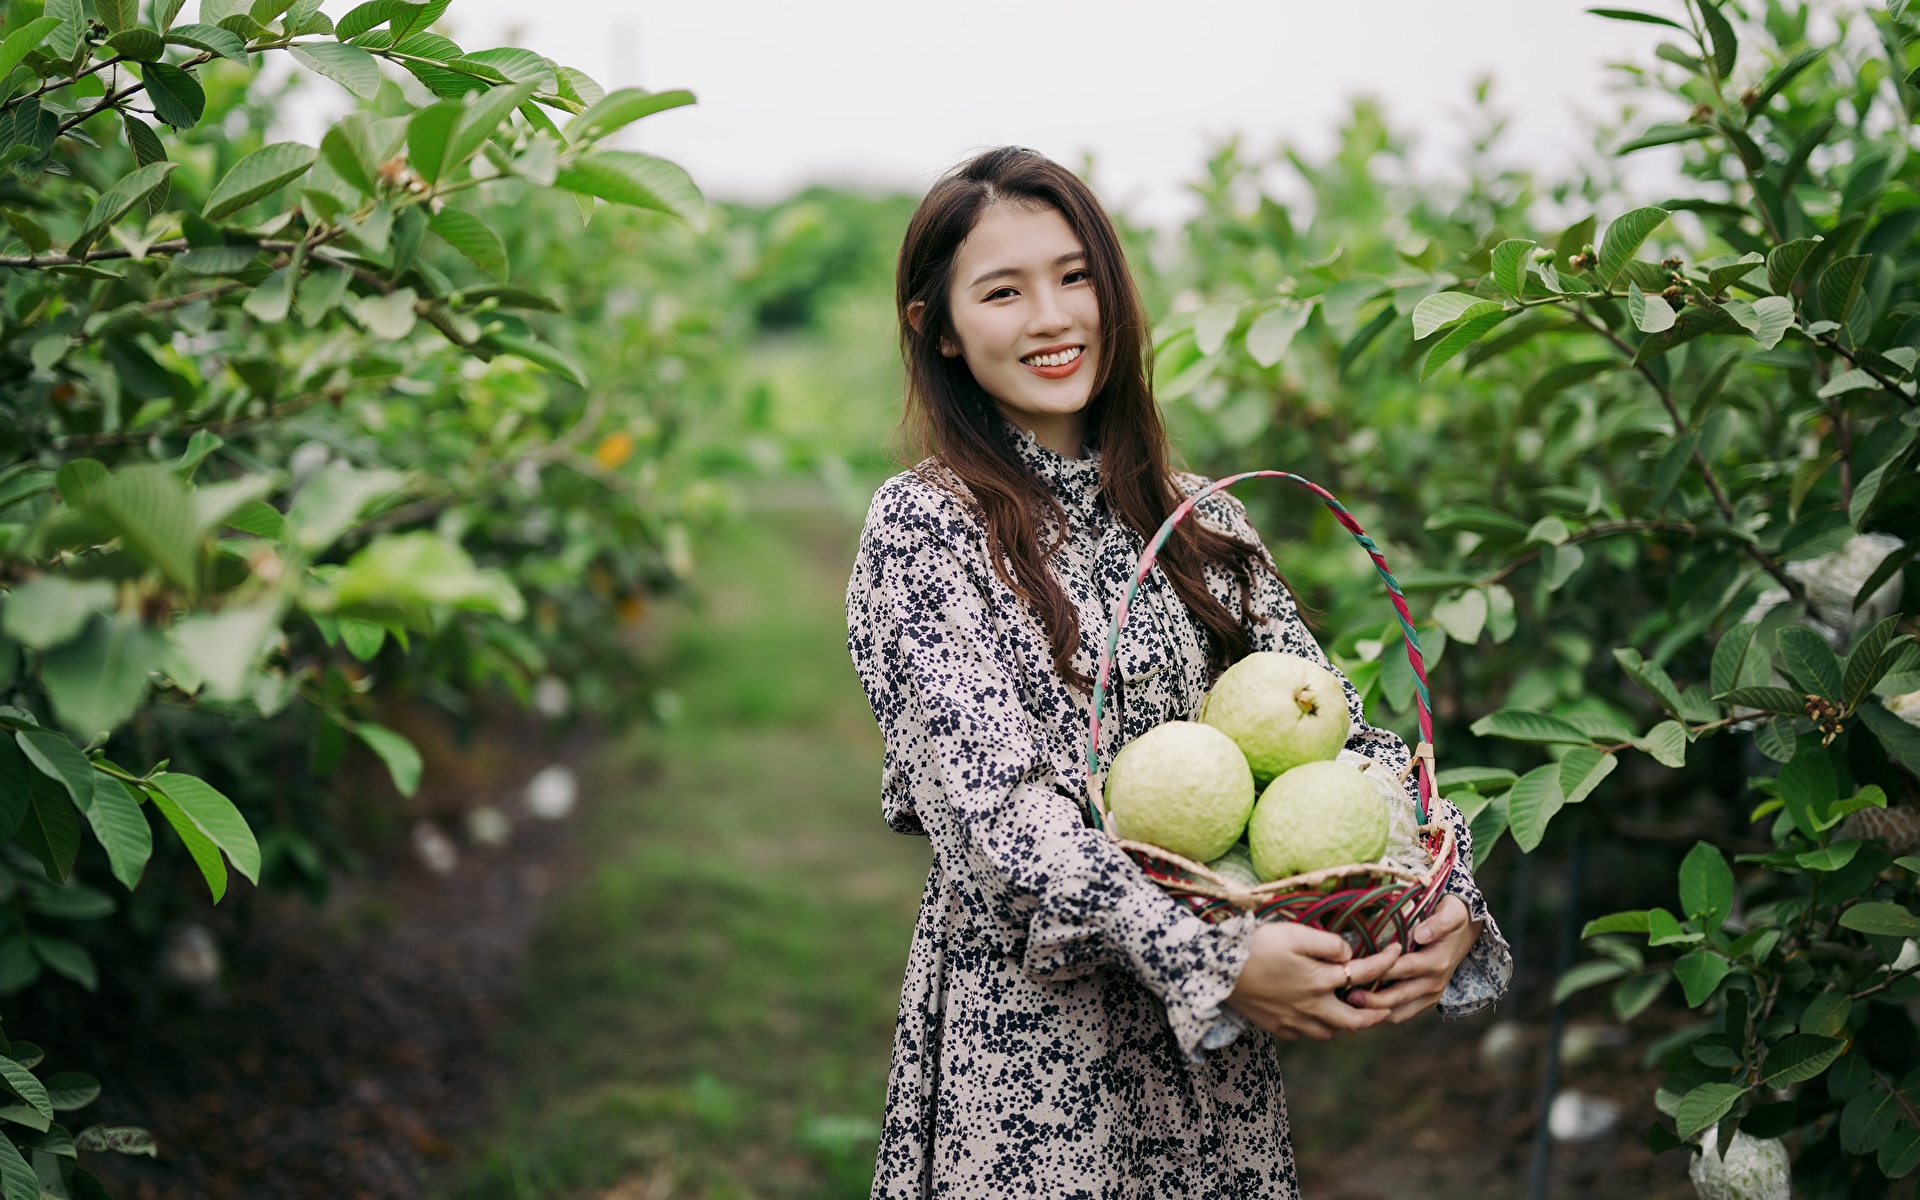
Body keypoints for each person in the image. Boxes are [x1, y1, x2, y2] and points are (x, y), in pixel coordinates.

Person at [845, 146, 1512, 1200]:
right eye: (1003, 291)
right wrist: (1213, 961)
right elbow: (999, 821)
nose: (1053, 316)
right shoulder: (928, 528)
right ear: (941, 328)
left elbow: (1333, 739)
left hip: (1214, 1066)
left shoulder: (1202, 522)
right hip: (1035, 1055)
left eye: (1075, 277)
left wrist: (1449, 894)